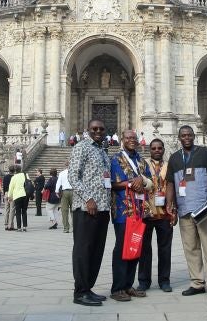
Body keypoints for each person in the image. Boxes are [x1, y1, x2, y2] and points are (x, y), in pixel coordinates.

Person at [166, 125, 207, 300]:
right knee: (190, 247)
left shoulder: (205, 153)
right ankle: (197, 283)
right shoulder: (174, 158)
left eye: (189, 135)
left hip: (203, 207)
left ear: (194, 136)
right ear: (179, 138)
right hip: (184, 209)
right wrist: (170, 203)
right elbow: (169, 183)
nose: (187, 138)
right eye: (183, 135)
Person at [68, 120, 112, 306]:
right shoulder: (81, 147)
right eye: (94, 129)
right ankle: (80, 292)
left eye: (101, 129)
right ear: (88, 130)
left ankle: (88, 288)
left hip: (102, 208)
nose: (98, 131)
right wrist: (88, 199)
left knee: (96, 250)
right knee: (83, 249)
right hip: (87, 207)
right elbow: (73, 176)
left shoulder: (103, 150)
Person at [108, 130, 153, 302]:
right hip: (122, 211)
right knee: (121, 248)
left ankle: (128, 285)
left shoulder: (141, 161)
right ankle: (117, 288)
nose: (131, 141)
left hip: (140, 210)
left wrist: (142, 181)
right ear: (122, 140)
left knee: (135, 247)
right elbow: (112, 183)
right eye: (128, 138)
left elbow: (150, 182)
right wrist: (130, 183)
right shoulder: (115, 159)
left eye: (134, 138)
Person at [136, 137, 175, 293]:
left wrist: (174, 210)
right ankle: (144, 281)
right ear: (149, 150)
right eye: (154, 148)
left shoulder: (170, 166)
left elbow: (176, 187)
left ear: (163, 150)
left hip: (165, 213)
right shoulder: (142, 165)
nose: (157, 151)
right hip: (146, 212)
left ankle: (164, 280)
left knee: (165, 249)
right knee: (144, 249)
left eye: (159, 148)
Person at [7, 165, 30, 232]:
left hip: (17, 196)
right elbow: (29, 183)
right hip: (25, 194)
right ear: (20, 169)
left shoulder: (14, 177)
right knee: (24, 211)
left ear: (15, 170)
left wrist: (9, 196)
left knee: (18, 212)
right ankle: (25, 226)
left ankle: (19, 227)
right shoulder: (25, 175)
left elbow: (11, 188)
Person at [56, 160, 73, 233]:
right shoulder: (73, 172)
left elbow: (58, 183)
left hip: (64, 192)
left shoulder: (61, 173)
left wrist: (56, 191)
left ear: (65, 166)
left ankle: (66, 228)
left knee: (64, 211)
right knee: (74, 210)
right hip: (73, 191)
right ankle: (75, 227)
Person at [2, 166, 16, 231]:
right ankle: (11, 225)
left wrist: (4, 194)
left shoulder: (5, 177)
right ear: (14, 171)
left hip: (6, 193)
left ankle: (6, 225)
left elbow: (4, 186)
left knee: (6, 209)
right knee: (12, 210)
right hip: (12, 194)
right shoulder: (14, 177)